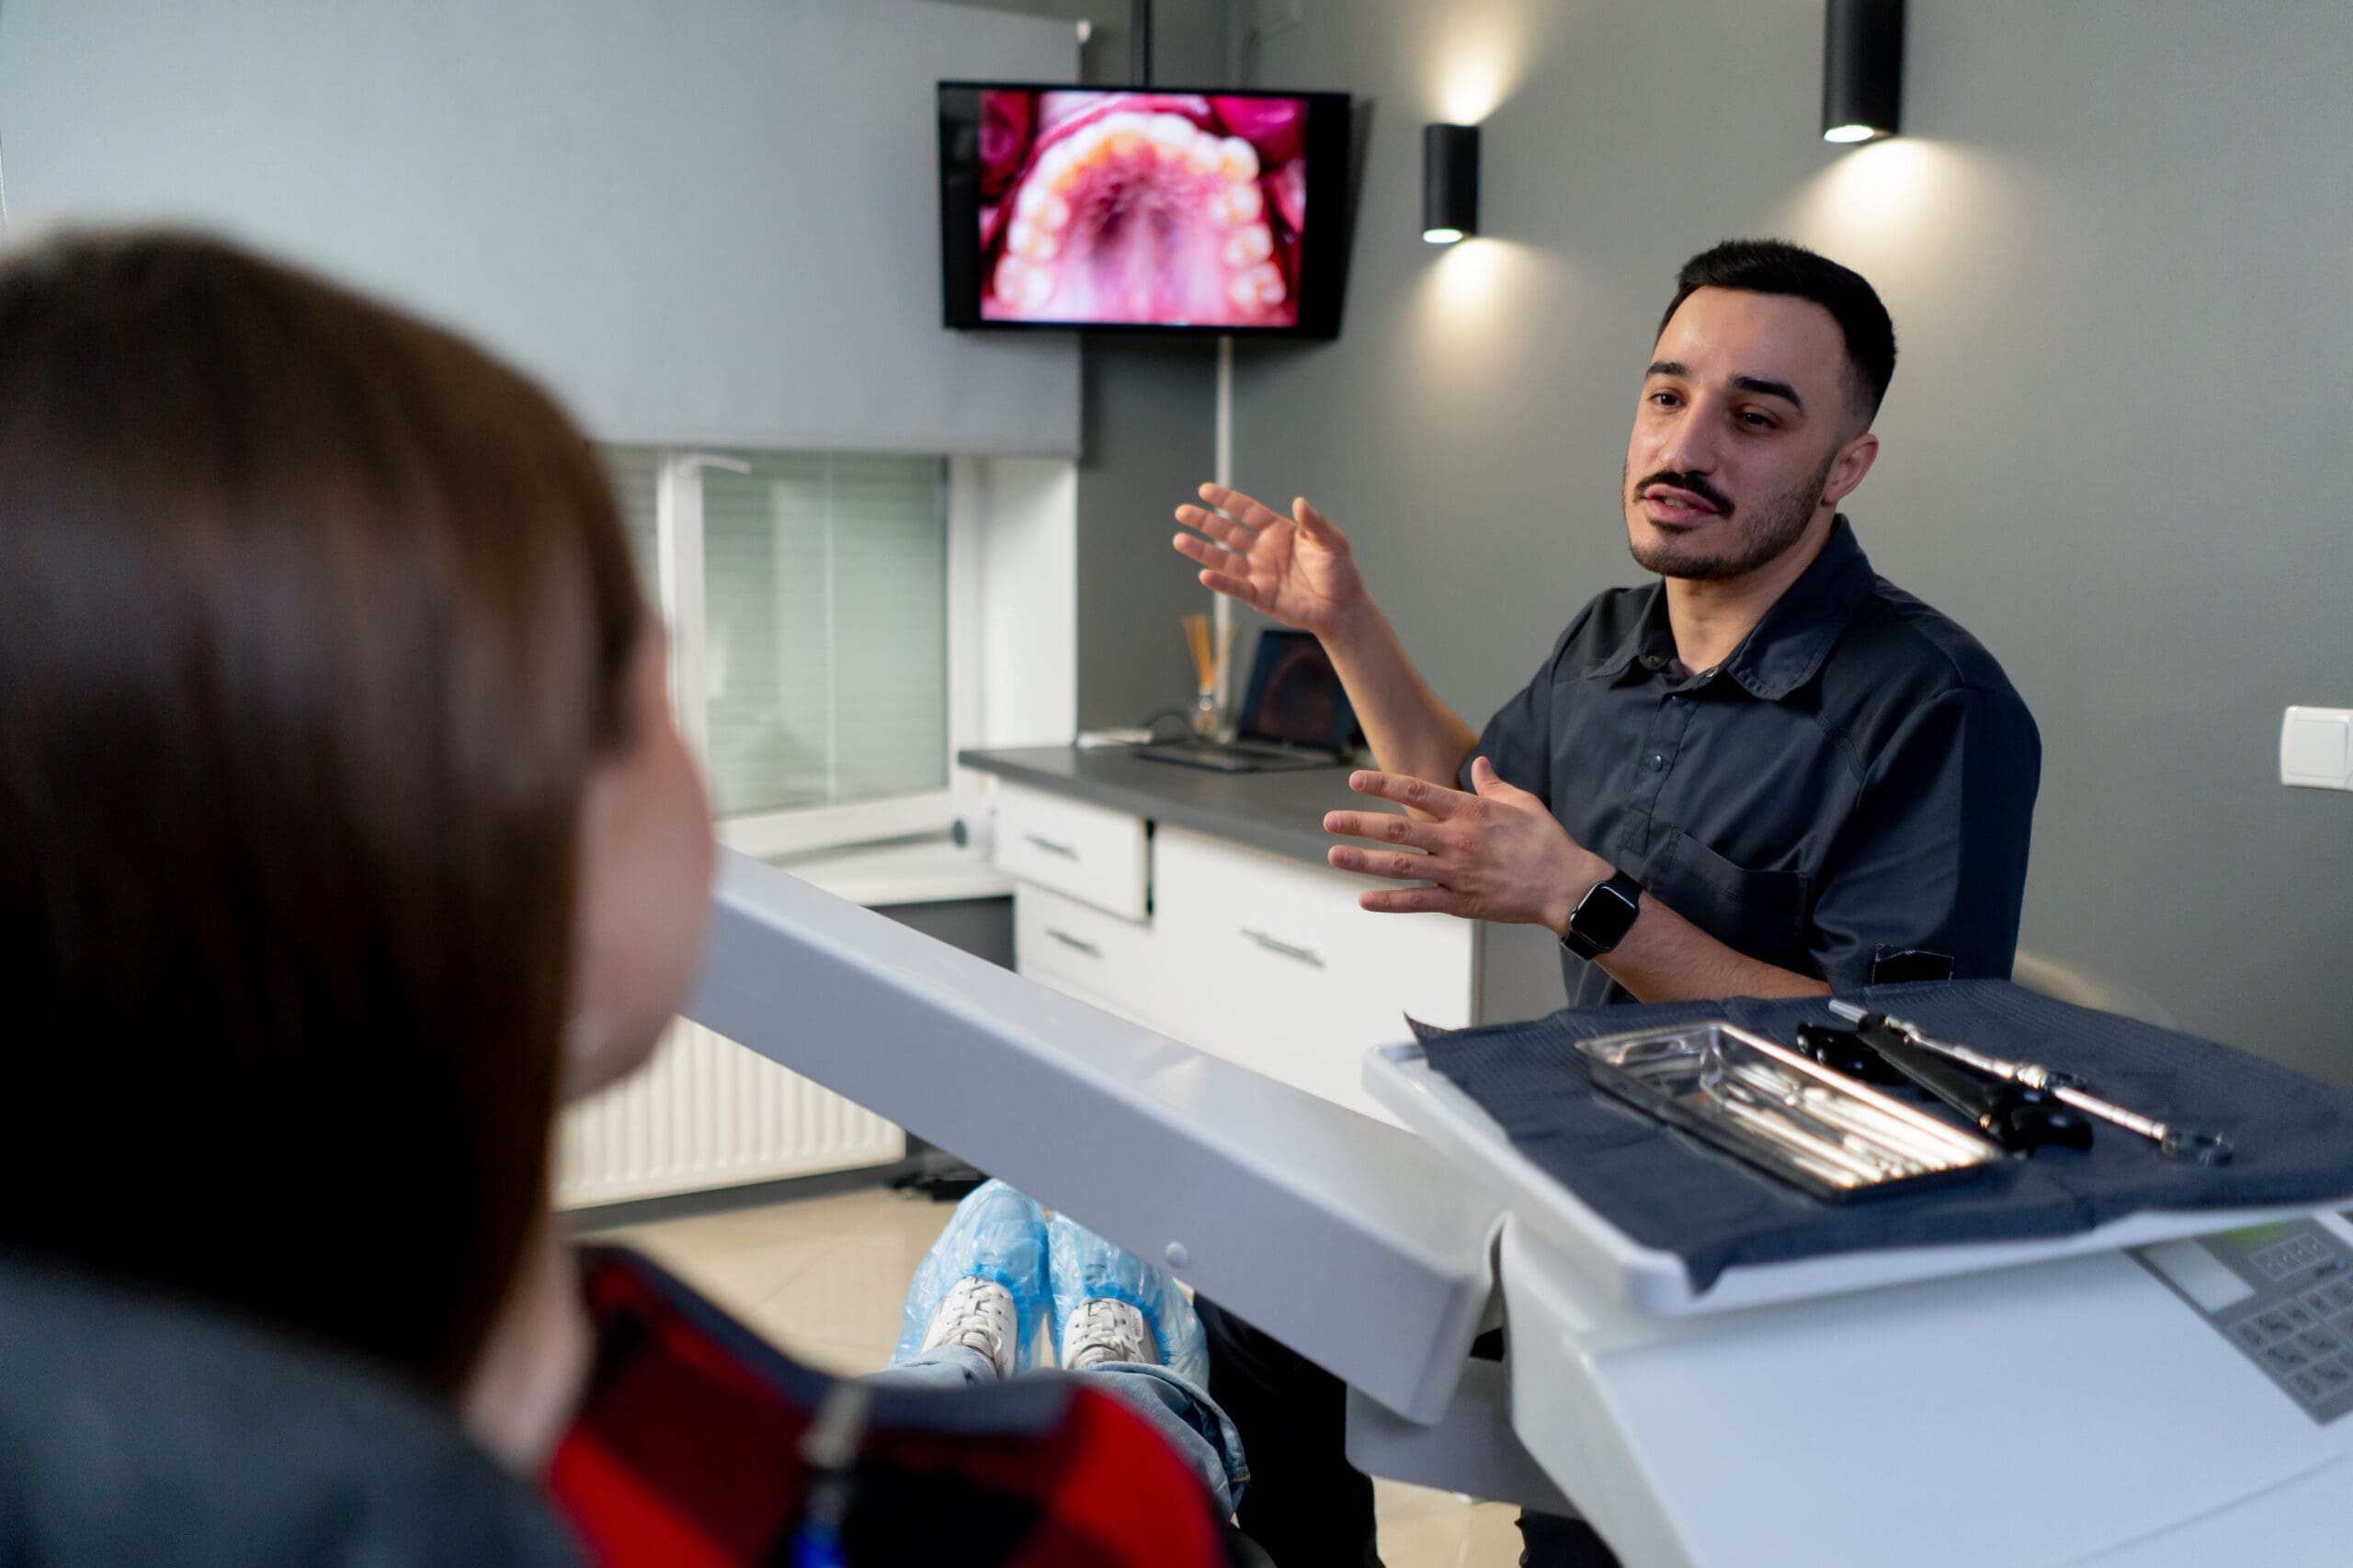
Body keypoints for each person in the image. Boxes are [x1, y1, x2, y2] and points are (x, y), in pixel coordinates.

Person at [0, 228, 1242, 1568]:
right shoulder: (1060, 1520)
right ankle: (1081, 1376)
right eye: (653, 674)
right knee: (1158, 1423)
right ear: (547, 866)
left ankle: (960, 1349)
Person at [1169, 239, 2041, 1566]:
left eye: (1755, 418)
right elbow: (1469, 799)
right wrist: (1342, 621)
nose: (1687, 444)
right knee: (1257, 1299)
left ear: (1844, 466)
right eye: (1666, 394)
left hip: (1772, 1263)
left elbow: (1905, 1065)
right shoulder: (1609, 640)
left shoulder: (1934, 702)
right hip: (1585, 1176)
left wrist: (1584, 898)